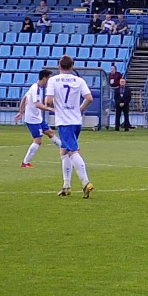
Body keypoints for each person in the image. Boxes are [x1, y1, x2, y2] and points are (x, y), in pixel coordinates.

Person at [47, 55, 95, 197]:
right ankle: (66, 186)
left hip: (64, 122)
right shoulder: (79, 80)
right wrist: (80, 109)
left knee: (72, 151)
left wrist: (48, 103)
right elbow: (89, 98)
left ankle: (86, 182)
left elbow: (48, 101)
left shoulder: (53, 80)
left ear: (59, 66)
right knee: (64, 151)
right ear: (72, 66)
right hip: (76, 121)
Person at [16, 69, 55, 168]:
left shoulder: (37, 87)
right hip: (32, 119)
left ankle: (67, 151)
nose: (50, 81)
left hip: (38, 117)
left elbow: (24, 99)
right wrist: (50, 109)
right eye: (49, 78)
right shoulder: (36, 89)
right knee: (38, 140)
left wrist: (21, 112)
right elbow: (37, 104)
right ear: (44, 78)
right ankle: (25, 163)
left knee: (50, 133)